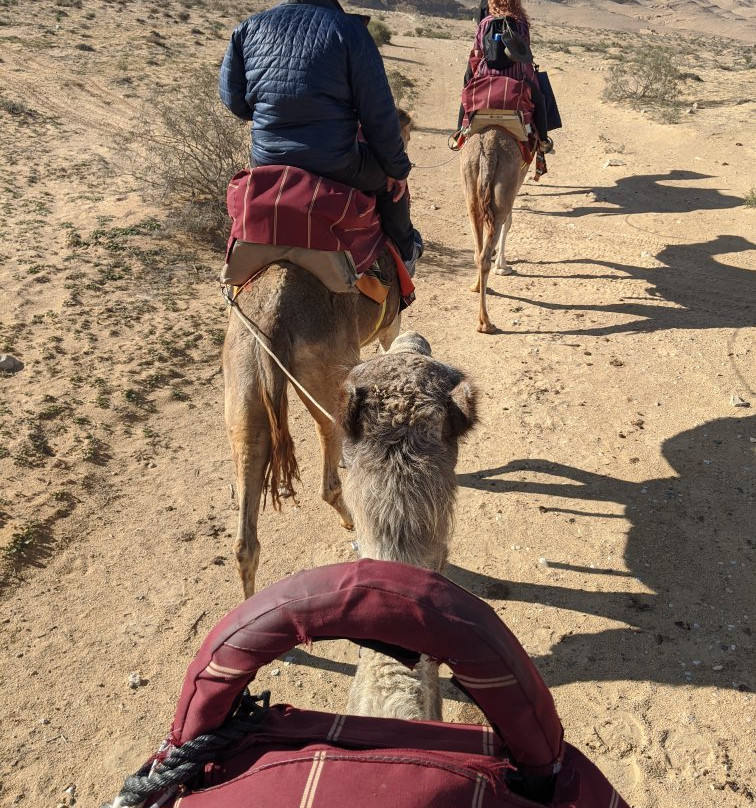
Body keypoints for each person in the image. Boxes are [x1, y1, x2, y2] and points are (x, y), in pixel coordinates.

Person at [219, 0, 422, 273]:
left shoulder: (249, 27)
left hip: (266, 159)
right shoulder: (349, 30)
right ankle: (407, 252)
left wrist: (274, 111)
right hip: (337, 164)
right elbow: (379, 115)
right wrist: (397, 169)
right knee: (390, 188)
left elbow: (233, 99)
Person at [456, 0, 551, 152]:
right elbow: (524, 52)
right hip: (517, 78)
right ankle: (543, 141)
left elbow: (477, 53)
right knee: (539, 99)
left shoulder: (485, 23)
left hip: (486, 76)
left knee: (467, 96)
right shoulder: (521, 23)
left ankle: (459, 134)